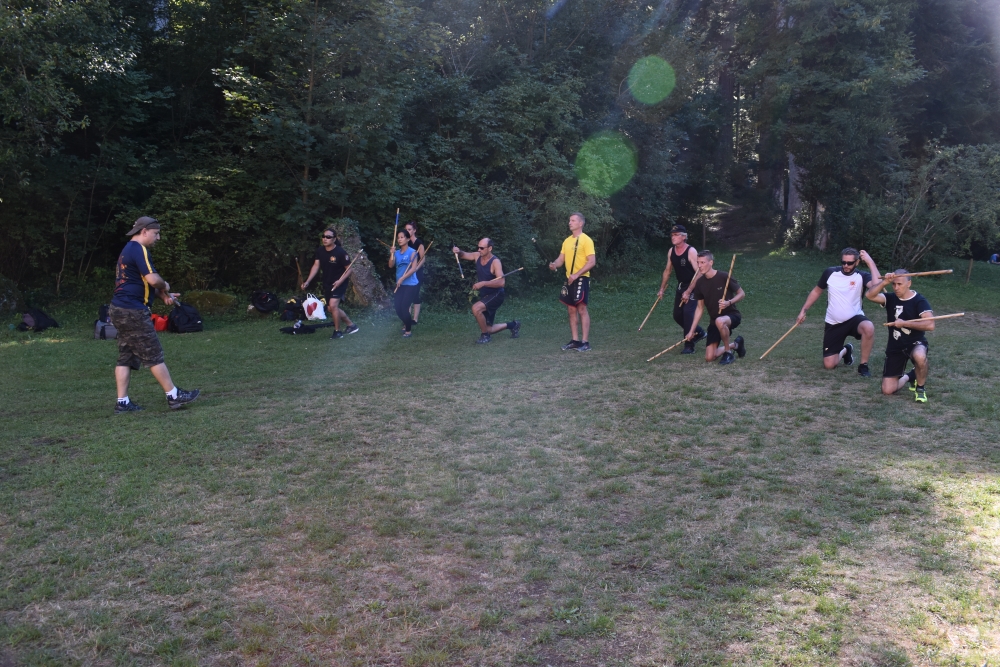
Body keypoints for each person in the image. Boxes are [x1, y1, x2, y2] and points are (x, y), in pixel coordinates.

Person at [109, 216, 199, 413]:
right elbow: (153, 279)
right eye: (156, 233)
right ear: (144, 231)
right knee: (153, 354)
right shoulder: (139, 249)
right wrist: (165, 285)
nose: (158, 238)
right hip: (132, 311)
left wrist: (161, 295)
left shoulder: (128, 249)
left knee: (126, 356)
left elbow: (138, 281)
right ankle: (173, 395)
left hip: (119, 309)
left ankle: (122, 402)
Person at [796, 248, 881, 376]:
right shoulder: (830, 273)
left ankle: (863, 366)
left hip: (854, 318)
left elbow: (877, 286)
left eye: (850, 263)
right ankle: (846, 350)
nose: (846, 265)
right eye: (843, 262)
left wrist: (870, 262)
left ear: (857, 262)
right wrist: (803, 311)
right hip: (833, 323)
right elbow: (817, 291)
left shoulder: (862, 276)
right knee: (829, 365)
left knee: (868, 327)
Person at [865, 269, 934, 402]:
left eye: (900, 284)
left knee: (920, 356)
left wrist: (905, 323)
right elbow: (870, 295)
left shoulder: (919, 300)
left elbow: (930, 325)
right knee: (887, 390)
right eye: (894, 284)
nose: (896, 288)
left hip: (915, 343)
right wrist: (885, 282)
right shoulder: (890, 298)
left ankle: (920, 388)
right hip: (895, 347)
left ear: (909, 284)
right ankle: (911, 376)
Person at [452, 238, 521, 344]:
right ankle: (513, 325)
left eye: (482, 248)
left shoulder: (495, 262)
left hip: (496, 294)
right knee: (488, 329)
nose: (479, 250)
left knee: (476, 308)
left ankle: (485, 336)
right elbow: (464, 255)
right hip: (486, 296)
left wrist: (483, 283)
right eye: (478, 247)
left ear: (490, 248)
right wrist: (458, 251)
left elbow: (501, 282)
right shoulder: (477, 256)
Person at [685, 250, 746, 365]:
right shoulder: (699, 283)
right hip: (714, 321)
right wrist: (691, 331)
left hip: (731, 315)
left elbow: (741, 294)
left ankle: (728, 353)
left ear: (711, 262)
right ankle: (736, 345)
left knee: (720, 321)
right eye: (698, 262)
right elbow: (699, 308)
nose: (699, 266)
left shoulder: (723, 276)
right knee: (709, 357)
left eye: (703, 262)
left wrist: (728, 302)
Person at [301, 227, 359, 339]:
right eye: (323, 236)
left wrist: (340, 281)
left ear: (334, 239)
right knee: (330, 308)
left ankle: (337, 331)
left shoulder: (340, 252)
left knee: (333, 305)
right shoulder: (320, 251)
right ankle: (351, 325)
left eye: (328, 237)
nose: (325, 239)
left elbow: (349, 270)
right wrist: (308, 281)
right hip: (327, 282)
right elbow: (316, 266)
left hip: (340, 282)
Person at [549, 212, 596, 351]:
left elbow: (591, 262)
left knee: (581, 308)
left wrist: (576, 275)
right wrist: (554, 264)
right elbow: (561, 259)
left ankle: (585, 342)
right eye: (570, 220)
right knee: (571, 309)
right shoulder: (567, 241)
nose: (570, 223)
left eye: (573, 220)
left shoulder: (586, 240)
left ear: (581, 223)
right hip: (570, 279)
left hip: (581, 278)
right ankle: (575, 340)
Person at [656, 224, 706, 353]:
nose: (673, 237)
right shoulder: (671, 251)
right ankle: (699, 332)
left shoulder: (691, 251)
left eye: (676, 235)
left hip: (694, 286)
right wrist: (662, 289)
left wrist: (688, 291)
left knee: (688, 313)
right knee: (677, 315)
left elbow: (699, 273)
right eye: (672, 235)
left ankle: (689, 345)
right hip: (681, 286)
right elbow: (667, 271)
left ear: (684, 237)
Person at [390, 230, 421, 337]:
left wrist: (402, 278)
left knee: (404, 307)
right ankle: (407, 323)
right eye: (398, 237)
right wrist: (392, 254)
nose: (399, 239)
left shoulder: (413, 252)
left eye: (402, 237)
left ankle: (408, 331)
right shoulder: (397, 253)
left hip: (411, 284)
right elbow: (390, 265)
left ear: (408, 239)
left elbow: (413, 269)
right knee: (397, 307)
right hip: (400, 284)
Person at [405, 222, 426, 324]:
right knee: (407, 294)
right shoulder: (406, 242)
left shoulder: (419, 243)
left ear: (414, 230)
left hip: (417, 272)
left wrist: (416, 268)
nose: (407, 231)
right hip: (408, 271)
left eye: (409, 229)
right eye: (406, 229)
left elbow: (423, 259)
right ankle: (407, 318)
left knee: (415, 294)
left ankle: (415, 319)